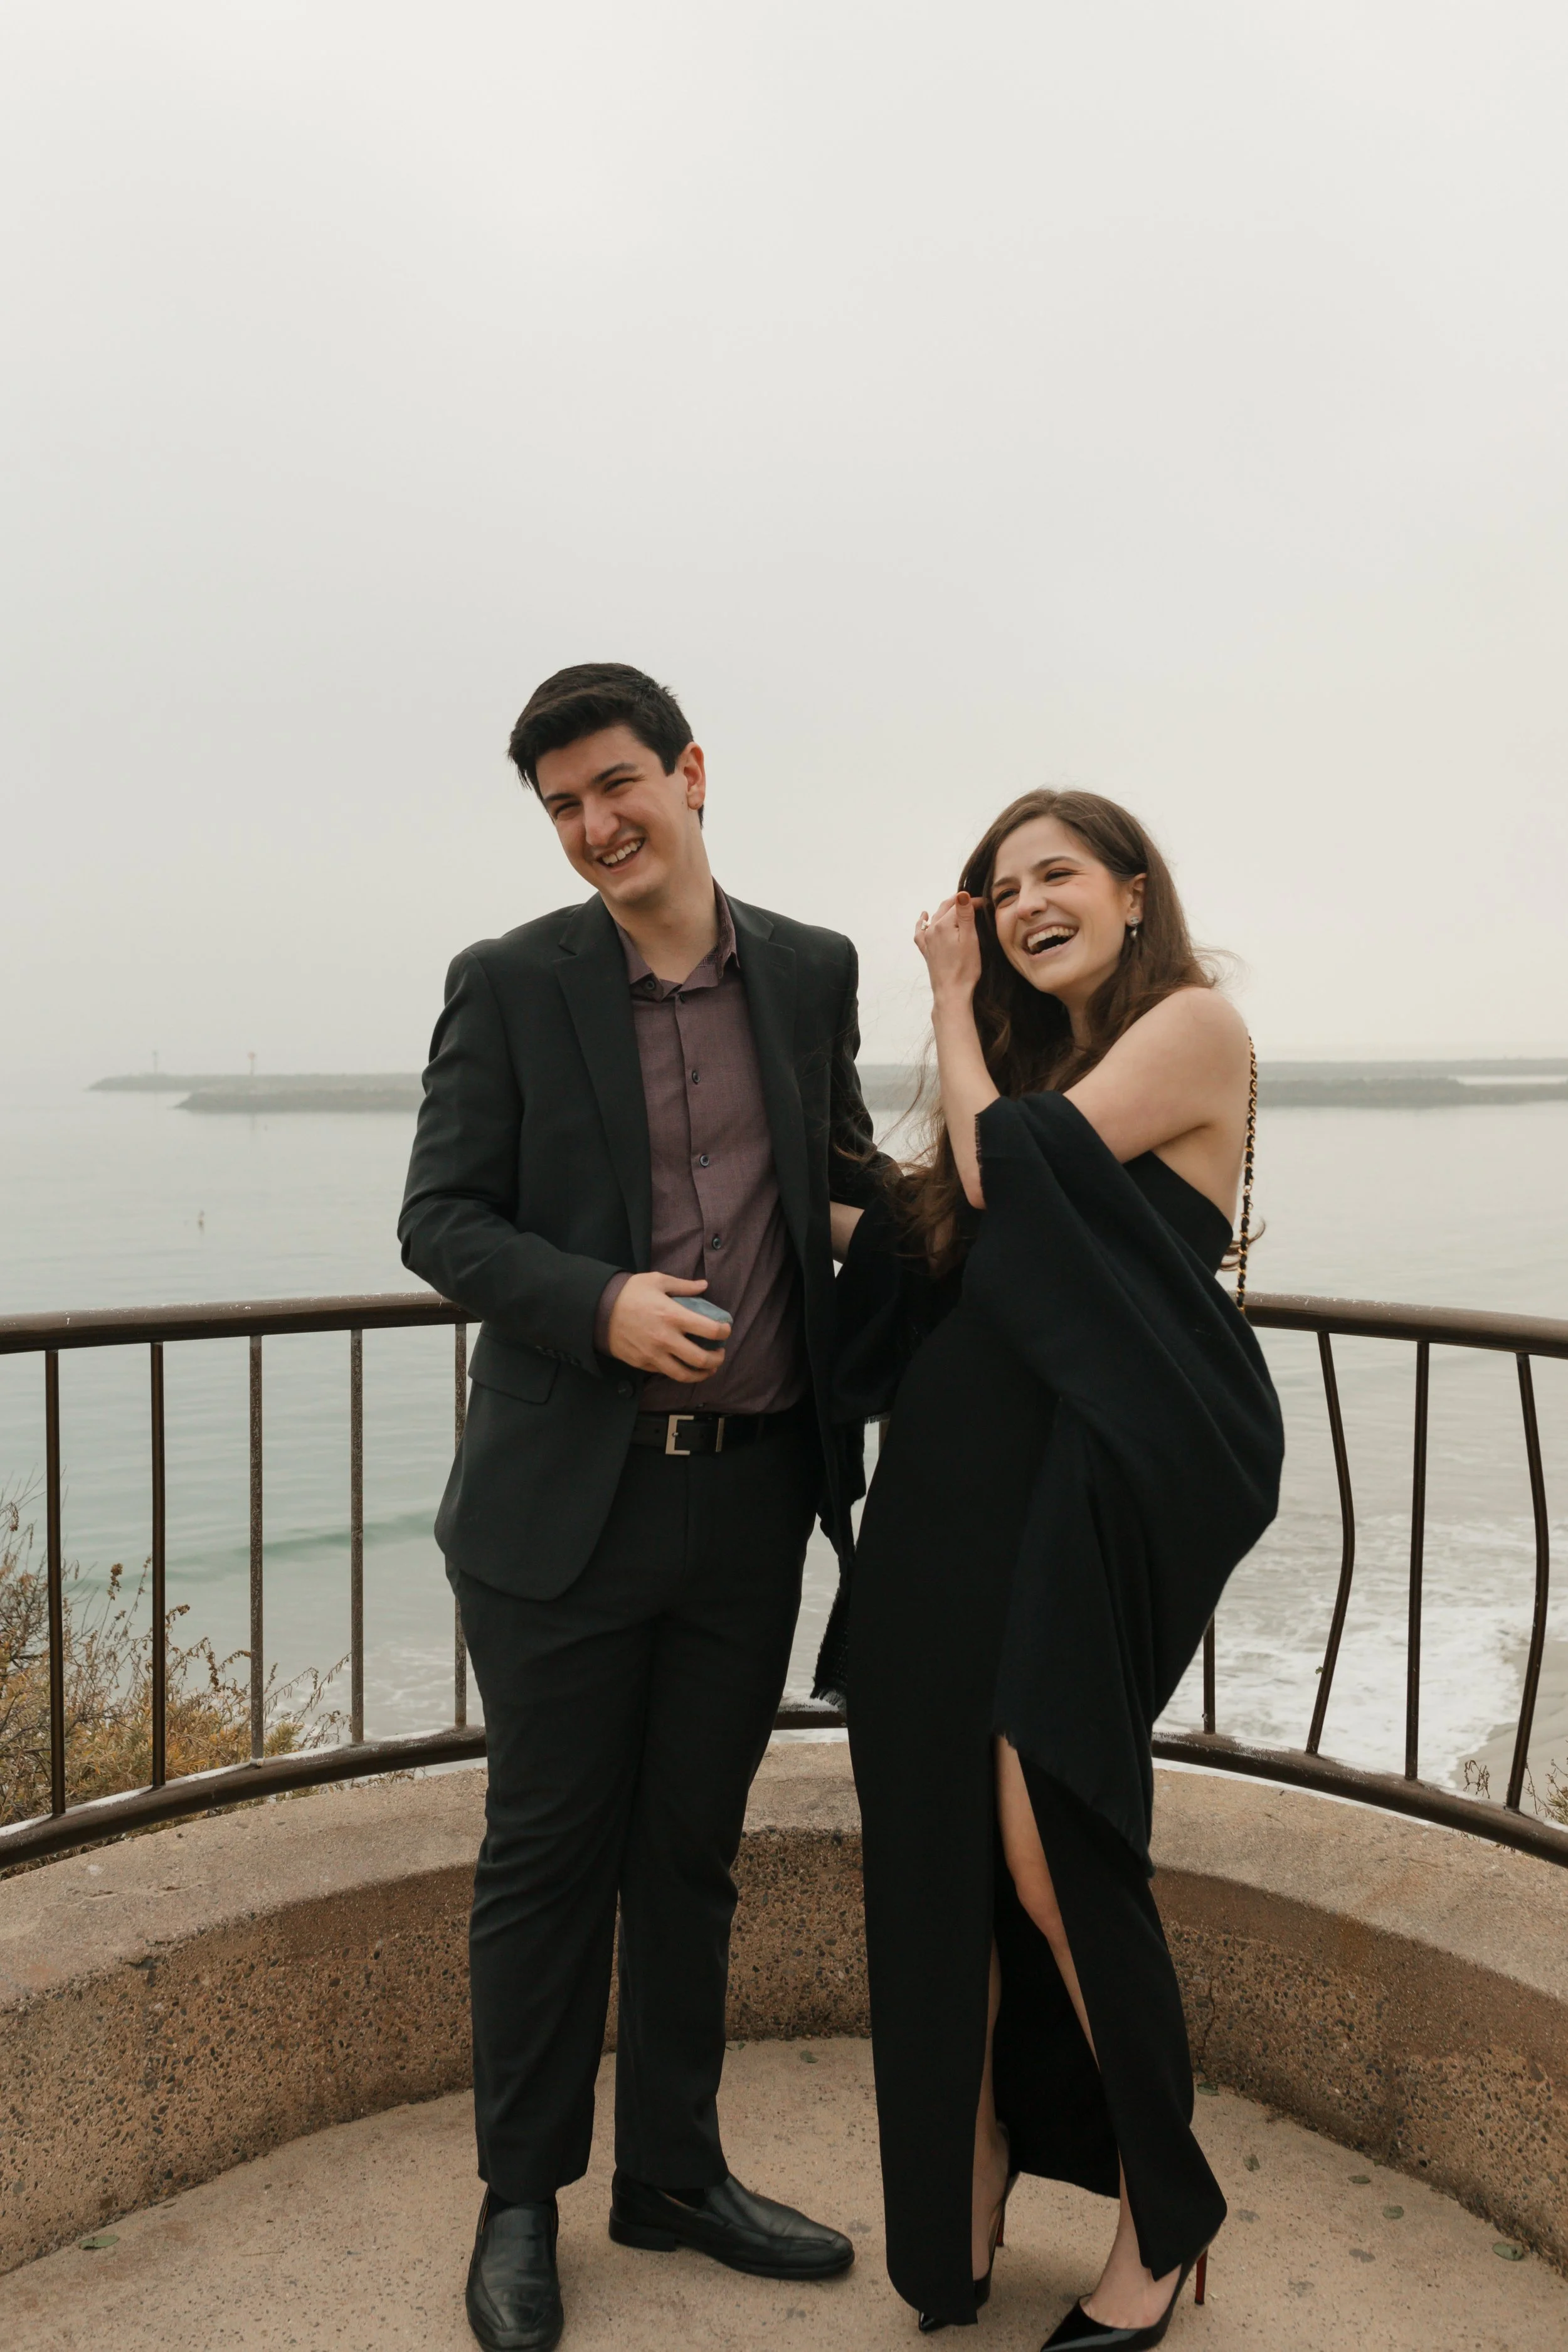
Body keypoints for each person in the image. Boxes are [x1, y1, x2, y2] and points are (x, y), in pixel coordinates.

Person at [400, 663, 880, 2352]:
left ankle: (673, 2171)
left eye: (616, 784)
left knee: (691, 1854)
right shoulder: (510, 980)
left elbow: (842, 1178)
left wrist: (1022, 1200)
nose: (595, 825)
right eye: (561, 806)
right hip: (559, 1515)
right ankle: (519, 2198)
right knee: (545, 1860)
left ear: (688, 770)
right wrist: (592, 1299)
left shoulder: (808, 969)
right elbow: (441, 1221)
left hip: (751, 1505)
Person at [824, 790, 1283, 2348]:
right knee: (937, 1852)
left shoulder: (1193, 1029)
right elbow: (942, 1241)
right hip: (955, 1507)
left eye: (1054, 876)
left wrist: (947, 1001)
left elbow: (1020, 1179)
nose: (1022, 905)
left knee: (1047, 1841)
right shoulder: (1015, 1076)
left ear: (1134, 889)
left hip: (1091, 1492)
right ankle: (976, 2145)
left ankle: (1165, 2208)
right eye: (996, 890)